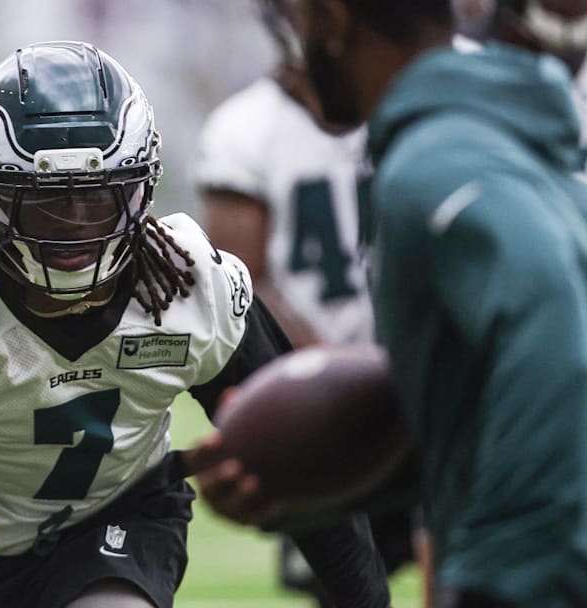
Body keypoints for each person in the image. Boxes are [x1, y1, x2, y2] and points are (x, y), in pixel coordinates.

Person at [0, 40, 391, 608]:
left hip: (120, 522)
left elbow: (295, 452)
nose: (75, 226)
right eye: (46, 200)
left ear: (140, 189)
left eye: (99, 197)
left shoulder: (193, 286)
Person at [189, 1, 587, 607]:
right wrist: (307, 480)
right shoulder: (492, 128)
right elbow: (479, 409)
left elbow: (559, 340)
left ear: (332, 19)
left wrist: (506, 575)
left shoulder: (434, 160)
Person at [193, 1, 427, 605]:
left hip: (430, 377)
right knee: (347, 580)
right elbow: (238, 285)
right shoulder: (248, 128)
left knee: (456, 564)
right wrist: (337, 374)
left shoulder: (434, 104)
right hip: (329, 394)